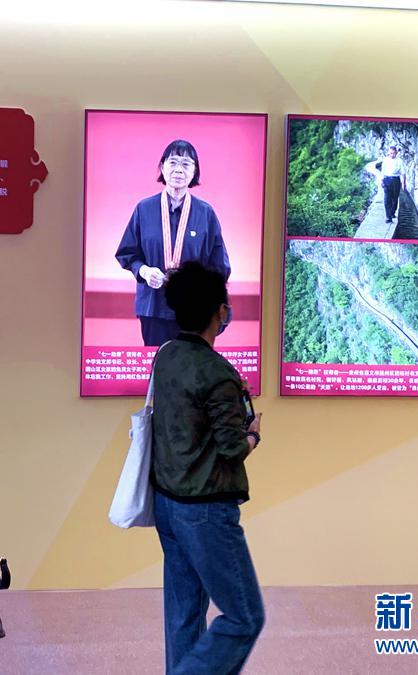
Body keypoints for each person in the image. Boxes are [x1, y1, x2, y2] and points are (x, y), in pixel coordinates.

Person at [151, 261, 264, 675]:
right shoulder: (218, 373)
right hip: (206, 509)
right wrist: (253, 436)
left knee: (184, 614)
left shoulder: (166, 355)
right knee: (244, 617)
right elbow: (232, 447)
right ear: (220, 311)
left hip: (168, 502)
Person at [116, 139, 231, 347]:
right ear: (162, 167)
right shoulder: (144, 209)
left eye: (186, 164)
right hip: (153, 307)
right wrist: (144, 271)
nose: (179, 169)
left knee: (192, 364)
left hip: (193, 310)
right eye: (173, 162)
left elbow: (220, 267)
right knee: (158, 362)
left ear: (195, 171)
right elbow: (128, 253)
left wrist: (198, 287)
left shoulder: (205, 213)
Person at [379, 145, 407, 224]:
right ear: (389, 153)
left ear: (396, 153)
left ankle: (392, 212)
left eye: (394, 153)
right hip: (387, 179)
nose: (392, 155)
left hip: (396, 180)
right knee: (387, 199)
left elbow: (403, 173)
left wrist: (404, 184)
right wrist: (381, 180)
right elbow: (382, 171)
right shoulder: (385, 160)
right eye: (391, 153)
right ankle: (388, 217)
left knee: (395, 198)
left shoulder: (399, 161)